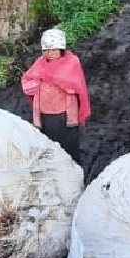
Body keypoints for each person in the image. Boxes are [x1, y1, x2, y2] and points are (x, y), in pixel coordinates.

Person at [20, 28, 91, 164]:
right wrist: (37, 83)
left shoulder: (71, 62)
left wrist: (46, 78)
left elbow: (73, 84)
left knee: (68, 150)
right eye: (47, 50)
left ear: (61, 49)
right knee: (48, 149)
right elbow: (27, 82)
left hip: (63, 116)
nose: (50, 53)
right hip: (44, 115)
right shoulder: (40, 63)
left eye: (54, 50)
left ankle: (73, 177)